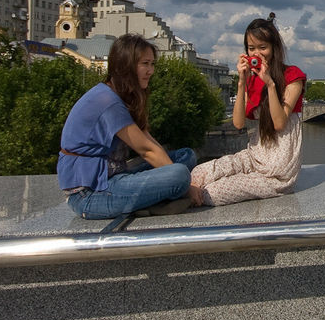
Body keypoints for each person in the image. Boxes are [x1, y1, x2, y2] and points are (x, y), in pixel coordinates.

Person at [58, 34, 200, 219]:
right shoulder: (108, 102)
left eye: (152, 64)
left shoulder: (118, 95)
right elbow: (146, 150)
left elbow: (149, 140)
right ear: (126, 66)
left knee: (185, 155)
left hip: (110, 177)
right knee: (179, 175)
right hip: (89, 194)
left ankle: (151, 200)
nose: (151, 71)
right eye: (145, 64)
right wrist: (187, 188)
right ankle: (154, 200)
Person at [190, 13, 306, 206]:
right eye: (251, 48)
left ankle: (186, 199)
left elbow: (279, 123)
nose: (257, 54)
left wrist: (269, 84)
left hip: (278, 170)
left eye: (263, 48)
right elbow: (238, 123)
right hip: (256, 154)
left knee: (213, 192)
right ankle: (186, 195)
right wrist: (242, 82)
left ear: (274, 49)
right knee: (199, 172)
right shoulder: (251, 79)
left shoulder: (293, 77)